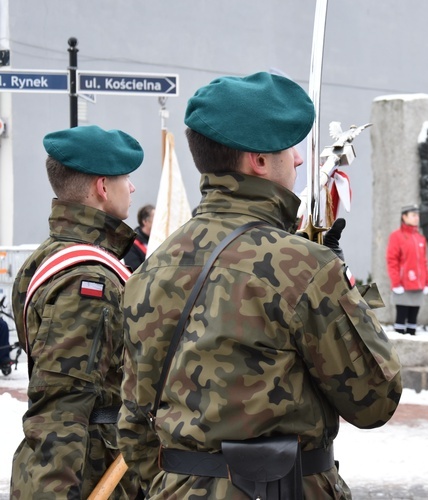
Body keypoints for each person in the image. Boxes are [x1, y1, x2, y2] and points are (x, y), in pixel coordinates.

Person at [117, 72, 403, 499]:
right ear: (259, 161)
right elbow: (375, 399)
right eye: (289, 148)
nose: (300, 160)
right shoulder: (304, 267)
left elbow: (136, 430)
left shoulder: (150, 268)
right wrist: (339, 290)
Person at [10, 125, 144, 499]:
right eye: (125, 178)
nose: (131, 188)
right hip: (90, 475)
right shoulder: (88, 281)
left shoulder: (49, 255)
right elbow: (61, 408)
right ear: (103, 187)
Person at [387, 204, 428, 334]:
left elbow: (423, 262)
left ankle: (412, 339)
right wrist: (395, 282)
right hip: (403, 284)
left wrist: (427, 281)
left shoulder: (420, 238)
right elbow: (392, 260)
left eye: (417, 215)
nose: (416, 218)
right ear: (404, 217)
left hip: (418, 284)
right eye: (413, 215)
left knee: (413, 320)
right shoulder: (396, 236)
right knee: (401, 319)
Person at [123, 203, 154, 271]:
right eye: (155, 219)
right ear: (145, 221)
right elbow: (134, 271)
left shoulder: (158, 241)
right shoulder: (132, 244)